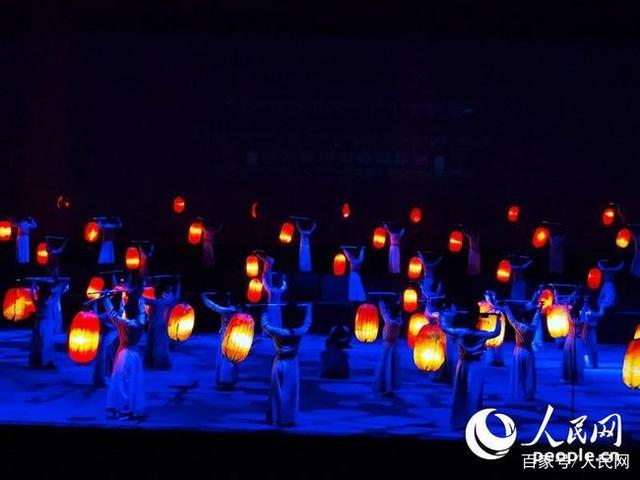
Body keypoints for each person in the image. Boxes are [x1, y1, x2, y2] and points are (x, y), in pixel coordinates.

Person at [437, 304, 502, 430]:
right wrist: (498, 319)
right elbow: (497, 332)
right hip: (474, 366)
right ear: (478, 319)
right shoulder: (482, 334)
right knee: (474, 393)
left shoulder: (460, 332)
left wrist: (441, 315)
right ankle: (472, 422)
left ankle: (460, 421)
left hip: (462, 365)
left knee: (461, 392)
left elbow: (444, 327)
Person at [261, 302, 312, 427]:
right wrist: (309, 308)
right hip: (292, 364)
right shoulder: (299, 332)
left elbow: (265, 325)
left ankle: (277, 418)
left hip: (279, 363)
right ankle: (286, 419)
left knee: (278, 392)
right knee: (289, 392)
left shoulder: (277, 331)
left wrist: (264, 311)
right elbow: (307, 323)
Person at [104, 289, 146, 419]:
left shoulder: (124, 323)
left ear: (126, 312)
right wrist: (133, 296)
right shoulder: (141, 322)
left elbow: (112, 313)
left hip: (125, 355)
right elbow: (141, 310)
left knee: (123, 383)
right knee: (134, 382)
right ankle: (132, 408)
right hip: (136, 355)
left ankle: (124, 410)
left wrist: (105, 298)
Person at [201, 293, 240, 390]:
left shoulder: (231, 309)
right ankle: (226, 380)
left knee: (227, 359)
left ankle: (226, 381)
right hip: (227, 336)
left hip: (229, 337)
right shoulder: (233, 309)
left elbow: (216, 307)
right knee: (225, 359)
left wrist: (205, 300)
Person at [29, 277, 69, 369]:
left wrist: (33, 285)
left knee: (39, 342)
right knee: (45, 343)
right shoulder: (50, 303)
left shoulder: (38, 302)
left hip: (38, 323)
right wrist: (62, 284)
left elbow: (32, 294)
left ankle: (38, 360)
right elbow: (57, 294)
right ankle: (44, 362)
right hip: (46, 324)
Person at [503, 304, 540, 401]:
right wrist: (539, 309)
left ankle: (519, 393)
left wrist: (507, 309)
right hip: (529, 352)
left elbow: (511, 319)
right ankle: (529, 394)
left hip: (519, 351)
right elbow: (536, 318)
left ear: (523, 318)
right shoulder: (533, 327)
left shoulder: (520, 326)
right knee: (529, 374)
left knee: (519, 373)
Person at [143, 279, 180, 370]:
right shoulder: (164, 301)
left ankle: (156, 362)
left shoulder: (156, 302)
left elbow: (143, 299)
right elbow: (176, 297)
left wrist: (139, 288)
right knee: (159, 343)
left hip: (156, 324)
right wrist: (178, 285)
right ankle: (157, 362)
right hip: (159, 324)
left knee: (156, 343)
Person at [372, 299, 403, 396]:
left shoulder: (390, 321)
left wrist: (380, 302)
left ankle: (388, 387)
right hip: (392, 348)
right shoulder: (399, 321)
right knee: (391, 367)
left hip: (388, 348)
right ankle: (389, 387)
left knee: (387, 367)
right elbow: (391, 312)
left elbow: (383, 312)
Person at [562, 293, 587, 384]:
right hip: (574, 339)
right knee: (572, 358)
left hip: (573, 339)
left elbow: (566, 303)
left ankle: (572, 378)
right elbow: (566, 303)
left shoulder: (573, 314)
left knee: (573, 359)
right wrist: (575, 294)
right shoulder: (578, 315)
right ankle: (572, 378)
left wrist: (574, 294)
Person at [481, 291, 505, 367]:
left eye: (492, 296)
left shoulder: (498, 306)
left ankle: (498, 360)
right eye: (488, 296)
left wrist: (494, 307)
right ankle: (491, 360)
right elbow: (481, 315)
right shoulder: (482, 305)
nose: (490, 298)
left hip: (497, 326)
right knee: (490, 344)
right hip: (489, 326)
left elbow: (502, 313)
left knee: (498, 344)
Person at [581, 294, 604, 369]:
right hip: (584, 330)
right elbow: (583, 316)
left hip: (591, 330)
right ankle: (586, 364)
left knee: (593, 348)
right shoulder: (584, 310)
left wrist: (601, 305)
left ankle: (594, 365)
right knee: (584, 348)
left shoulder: (593, 311)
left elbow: (600, 314)